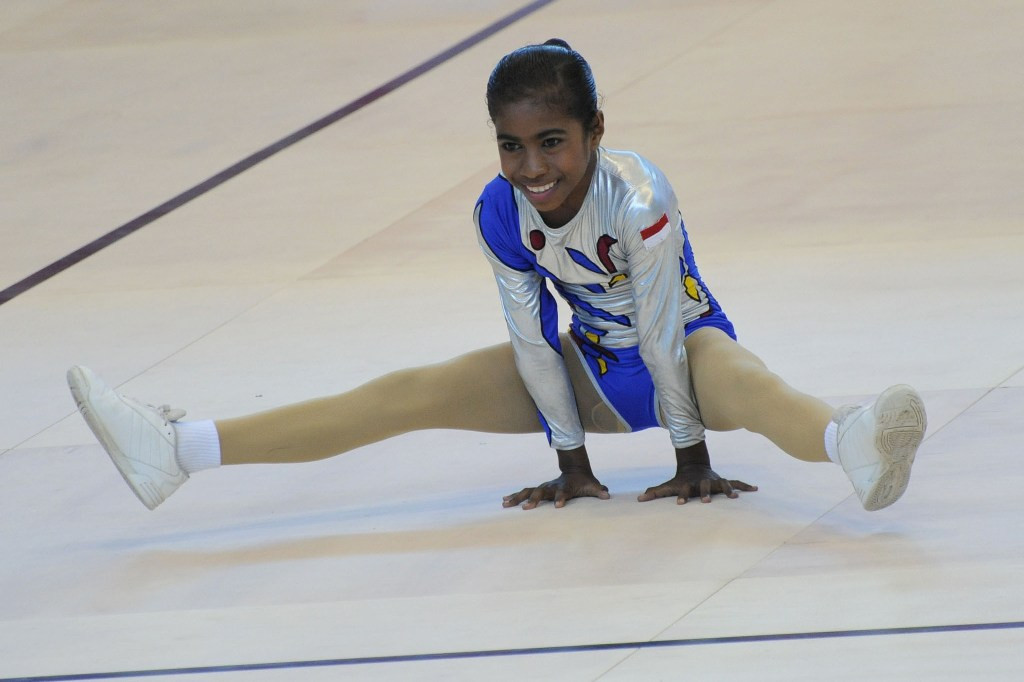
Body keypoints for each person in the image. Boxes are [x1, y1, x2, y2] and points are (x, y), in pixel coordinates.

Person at [67, 39, 926, 513]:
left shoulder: (639, 198)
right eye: (511, 145)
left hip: (687, 360)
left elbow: (664, 334)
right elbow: (531, 334)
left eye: (551, 141)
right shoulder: (497, 209)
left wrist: (689, 457)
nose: (532, 165)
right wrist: (571, 461)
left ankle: (852, 443)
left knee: (747, 380)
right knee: (409, 390)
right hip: (589, 367)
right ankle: (177, 452)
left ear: (594, 129)